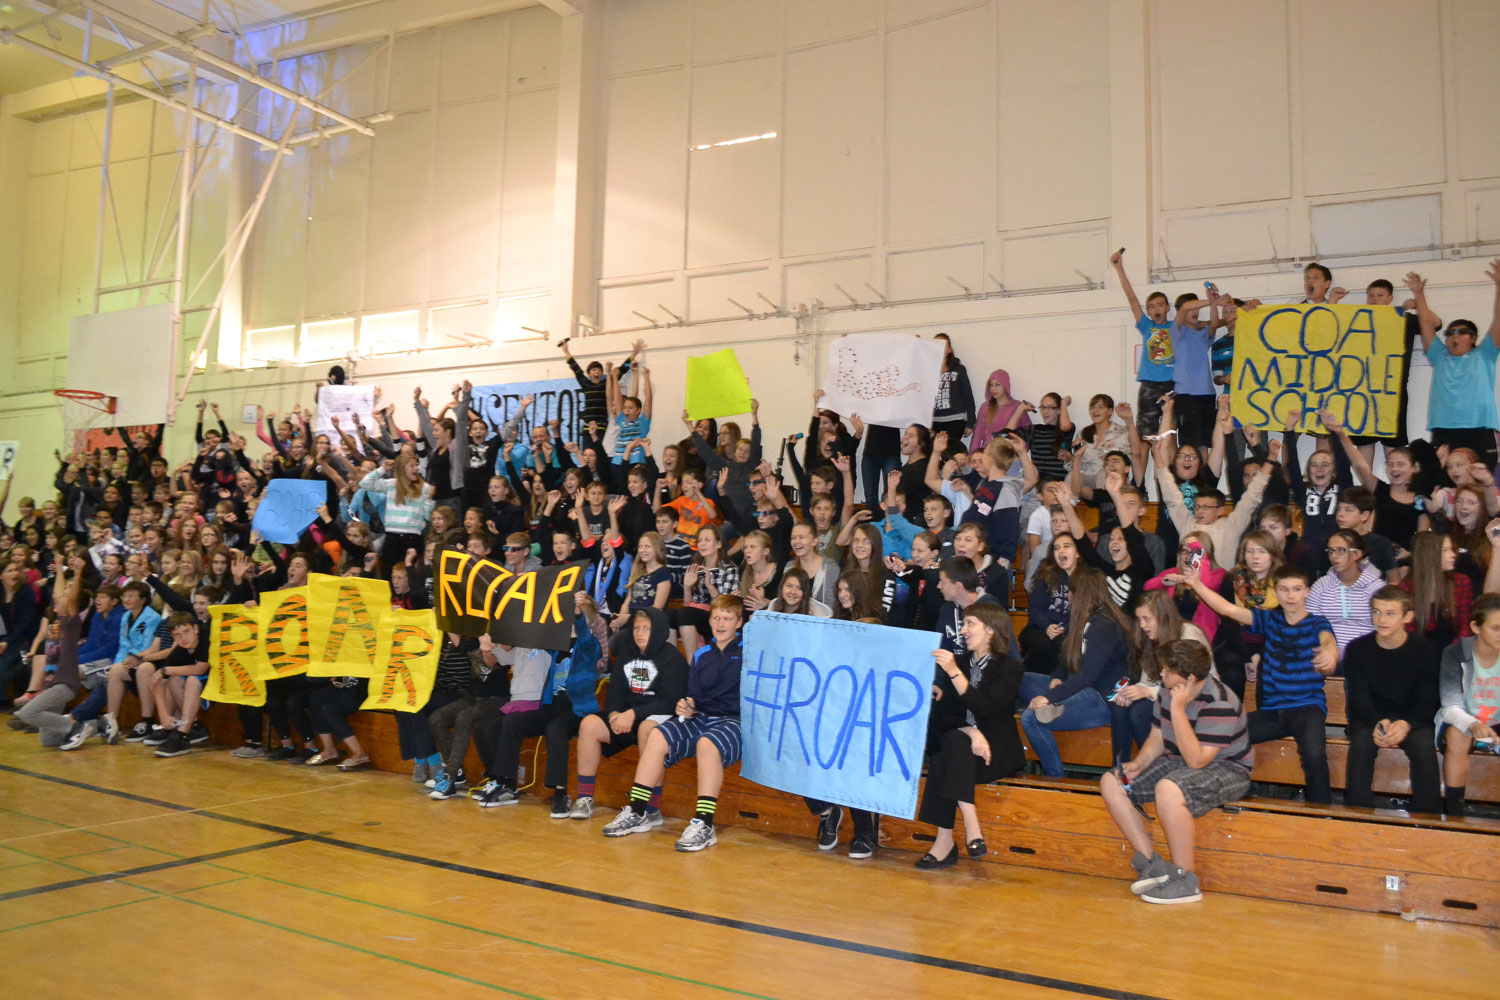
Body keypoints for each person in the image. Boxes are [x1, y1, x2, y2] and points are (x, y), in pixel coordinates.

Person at [1099, 639, 1253, 905]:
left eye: (1167, 670)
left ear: (1189, 678)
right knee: (1113, 781)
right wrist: (1140, 762)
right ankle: (1152, 864)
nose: (1161, 674)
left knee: (1169, 789)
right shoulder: (1168, 691)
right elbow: (1158, 736)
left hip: (1226, 769)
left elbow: (1197, 761)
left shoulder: (1219, 702)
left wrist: (1179, 711)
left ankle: (1185, 879)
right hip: (1178, 762)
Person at [1181, 563, 1338, 803]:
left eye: (1296, 589)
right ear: (1276, 593)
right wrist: (1196, 584)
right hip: (1272, 711)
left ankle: (1323, 813)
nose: (1291, 596)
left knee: (1315, 756)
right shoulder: (1269, 620)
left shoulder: (1317, 623)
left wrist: (1331, 653)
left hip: (1307, 707)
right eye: (1284, 590)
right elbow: (1227, 609)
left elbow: (1328, 641)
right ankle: (1241, 791)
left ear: (1307, 591)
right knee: (1221, 739)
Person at [605, 595, 745, 849]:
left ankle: (704, 823)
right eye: (716, 618)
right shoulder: (702, 655)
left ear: (739, 622)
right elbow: (693, 697)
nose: (721, 623)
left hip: (734, 722)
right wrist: (687, 706)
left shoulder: (750, 654)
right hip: (701, 717)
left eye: (728, 618)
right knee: (657, 734)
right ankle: (638, 811)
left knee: (706, 743)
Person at [915, 602, 1024, 870]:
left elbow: (987, 709)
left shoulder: (1010, 667)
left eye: (970, 624)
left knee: (946, 756)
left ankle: (945, 842)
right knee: (953, 743)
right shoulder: (961, 662)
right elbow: (944, 716)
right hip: (963, 751)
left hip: (994, 753)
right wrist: (971, 731)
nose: (963, 630)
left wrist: (953, 673)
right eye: (963, 624)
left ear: (990, 630)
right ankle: (970, 824)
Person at [1018, 567, 1132, 778]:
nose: (1068, 596)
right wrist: (1056, 679)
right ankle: (1050, 708)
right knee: (1020, 679)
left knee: (1030, 719)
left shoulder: (1104, 626)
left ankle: (1056, 780)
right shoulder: (1084, 620)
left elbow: (1087, 675)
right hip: (1079, 688)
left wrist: (1048, 697)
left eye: (1071, 591)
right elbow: (1066, 660)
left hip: (1100, 698)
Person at [583, 608, 688, 833]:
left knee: (649, 730)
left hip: (657, 717)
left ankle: (651, 809)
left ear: (658, 631)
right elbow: (615, 693)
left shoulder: (672, 658)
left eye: (646, 629)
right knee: (589, 724)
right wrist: (613, 715)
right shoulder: (626, 653)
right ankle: (584, 798)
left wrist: (633, 715)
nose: (640, 633)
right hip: (628, 717)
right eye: (637, 628)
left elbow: (670, 702)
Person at [1341, 587, 1441, 814]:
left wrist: (1407, 723)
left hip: (1412, 719)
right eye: (1376, 612)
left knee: (1424, 747)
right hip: (1370, 718)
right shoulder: (1357, 649)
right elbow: (1359, 697)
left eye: (1390, 613)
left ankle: (1427, 817)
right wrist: (1378, 722)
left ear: (1407, 617)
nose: (1381, 619)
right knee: (1361, 744)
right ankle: (1357, 813)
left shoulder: (1425, 650)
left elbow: (1428, 699)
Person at [1406, 265, 1500, 468]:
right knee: (1443, 481)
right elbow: (1425, 325)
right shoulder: (1439, 356)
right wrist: (1419, 293)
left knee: (1480, 484)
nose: (1454, 336)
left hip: (1479, 428)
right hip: (1444, 429)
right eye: (1450, 333)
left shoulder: (1485, 354)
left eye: (1461, 332)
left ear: (1473, 338)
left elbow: (1498, 320)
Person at [1110, 248, 1175, 468]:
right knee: (1146, 438)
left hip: (1171, 386)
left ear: (1167, 308)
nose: (1156, 309)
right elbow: (1131, 298)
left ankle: (1171, 480)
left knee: (1170, 435)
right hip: (1148, 386)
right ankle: (1141, 484)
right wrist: (1119, 268)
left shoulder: (1175, 326)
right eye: (1152, 306)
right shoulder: (1146, 326)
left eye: (1160, 305)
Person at [1439, 593, 1500, 816]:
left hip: (1497, 722)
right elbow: (1450, 705)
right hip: (1465, 720)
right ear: (1476, 627)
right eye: (1496, 628)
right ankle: (1454, 810)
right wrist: (1474, 725)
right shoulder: (1455, 653)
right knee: (1457, 735)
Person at [1307, 530, 1382, 660]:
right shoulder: (1321, 585)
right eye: (1330, 551)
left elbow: (1382, 626)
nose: (1333, 556)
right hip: (1326, 653)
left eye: (1340, 550)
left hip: (1365, 655)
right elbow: (1309, 624)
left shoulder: (1376, 587)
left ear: (1356, 554)